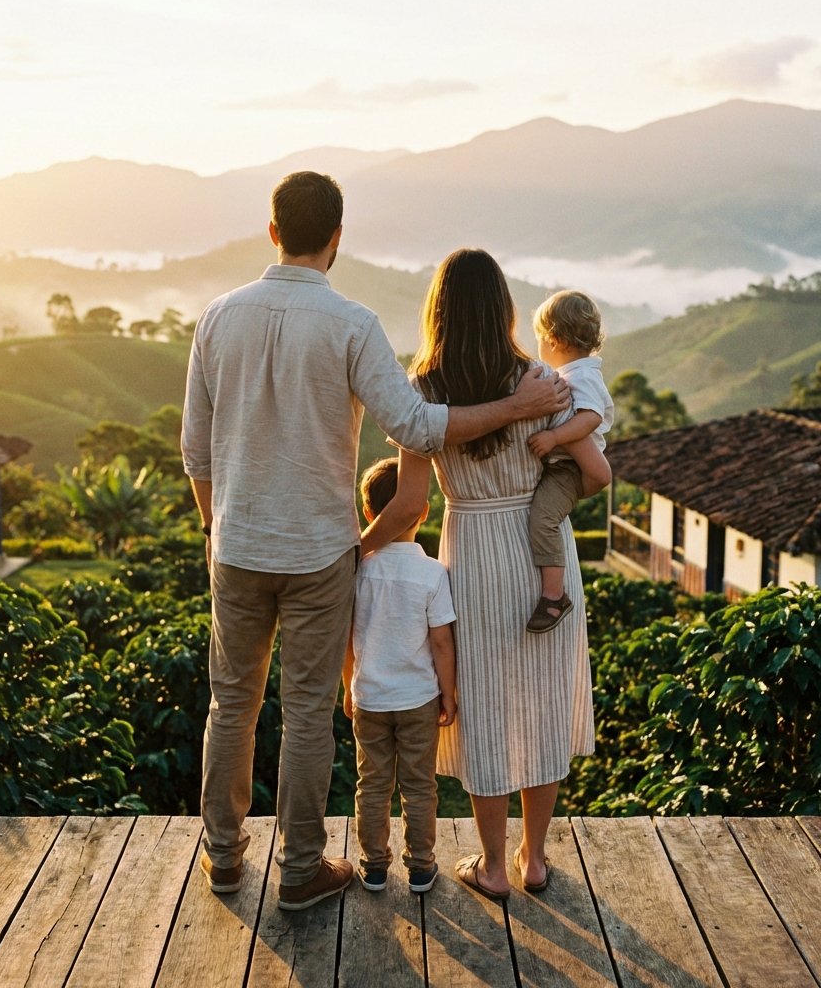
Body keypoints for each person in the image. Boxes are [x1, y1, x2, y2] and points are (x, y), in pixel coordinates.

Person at [181, 174, 570, 911]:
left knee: (230, 704)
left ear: (271, 232)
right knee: (303, 711)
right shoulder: (351, 323)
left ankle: (225, 859)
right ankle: (299, 868)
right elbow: (419, 428)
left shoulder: (216, 318)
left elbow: (196, 455)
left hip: (236, 546)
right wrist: (519, 406)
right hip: (321, 551)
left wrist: (215, 527)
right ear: (336, 237)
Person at [361, 247, 607, 902]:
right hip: (542, 547)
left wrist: (357, 549)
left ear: (437, 311)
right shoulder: (543, 382)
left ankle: (492, 865)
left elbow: (411, 507)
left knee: (489, 709)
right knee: (544, 701)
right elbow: (592, 471)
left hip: (470, 553)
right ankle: (534, 860)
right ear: (503, 308)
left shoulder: (423, 394)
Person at [343, 457, 457, 895]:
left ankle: (373, 867)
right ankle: (422, 867)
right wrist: (448, 695)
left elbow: (347, 640)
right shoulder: (431, 573)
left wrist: (348, 687)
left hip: (370, 697)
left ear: (368, 514)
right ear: (423, 511)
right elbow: (443, 644)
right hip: (418, 699)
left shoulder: (357, 572)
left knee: (371, 784)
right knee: (418, 786)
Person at [525, 290, 614, 633]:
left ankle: (553, 595)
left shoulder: (581, 377)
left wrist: (554, 438)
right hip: (565, 465)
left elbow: (589, 418)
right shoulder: (575, 372)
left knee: (543, 519)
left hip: (570, 468)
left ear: (554, 339)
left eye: (539, 340)